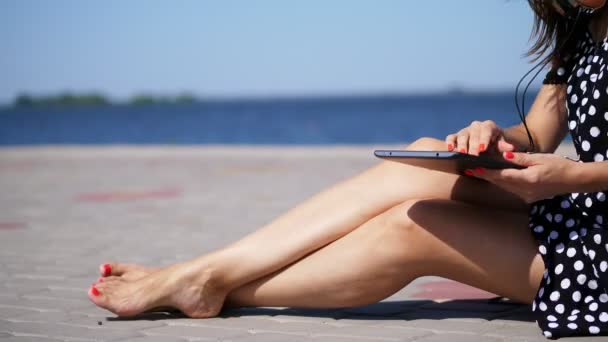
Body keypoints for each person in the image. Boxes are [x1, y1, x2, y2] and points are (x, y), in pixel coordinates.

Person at [87, 0, 608, 338]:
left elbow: (572, 167)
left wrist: (575, 177)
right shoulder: (584, 28)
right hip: (586, 214)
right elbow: (539, 134)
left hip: (599, 252)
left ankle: (201, 280)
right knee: (424, 158)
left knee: (412, 229)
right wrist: (493, 134)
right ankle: (203, 276)